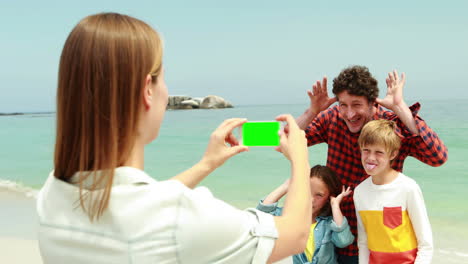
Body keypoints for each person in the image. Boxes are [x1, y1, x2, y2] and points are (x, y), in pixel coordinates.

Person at [36, 12, 313, 264]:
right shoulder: (180, 217)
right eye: (164, 79)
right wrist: (300, 158)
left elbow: (141, 207)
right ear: (148, 89)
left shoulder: (52, 193)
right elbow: (295, 235)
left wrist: (206, 164)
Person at [295, 65, 447, 263]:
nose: (349, 114)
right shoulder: (332, 118)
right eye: (343, 105)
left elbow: (437, 157)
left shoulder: (390, 126)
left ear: (372, 103)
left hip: (380, 245)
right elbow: (282, 139)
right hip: (334, 237)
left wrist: (401, 108)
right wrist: (312, 111)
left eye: (357, 105)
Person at [354, 119, 433, 263]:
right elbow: (363, 243)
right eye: (366, 150)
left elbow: (426, 244)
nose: (371, 158)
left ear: (392, 154)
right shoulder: (359, 192)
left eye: (379, 152)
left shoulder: (408, 187)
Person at [257, 165, 354, 264]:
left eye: (319, 195)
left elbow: (344, 241)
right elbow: (261, 215)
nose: (310, 200)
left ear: (328, 198)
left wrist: (335, 205)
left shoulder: (329, 224)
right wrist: (285, 186)